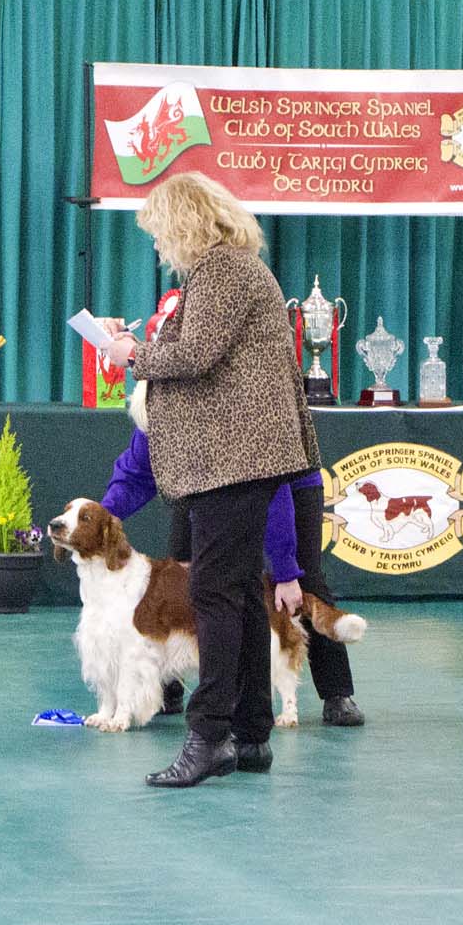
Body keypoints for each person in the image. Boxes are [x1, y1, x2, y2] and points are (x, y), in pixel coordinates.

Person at [105, 173, 319, 787]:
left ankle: (209, 737)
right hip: (239, 458)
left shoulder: (222, 270)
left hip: (232, 459)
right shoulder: (233, 269)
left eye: (158, 231)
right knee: (242, 594)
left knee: (214, 595)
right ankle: (250, 734)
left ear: (184, 222)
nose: (156, 244)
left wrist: (132, 356)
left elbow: (196, 355)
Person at [101, 294, 364, 727]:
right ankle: (168, 684)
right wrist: (102, 517)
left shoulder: (223, 400)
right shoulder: (155, 406)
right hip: (204, 484)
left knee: (302, 580)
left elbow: (271, 489)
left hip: (285, 480)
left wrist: (285, 570)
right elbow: (135, 473)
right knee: (184, 573)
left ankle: (337, 693)